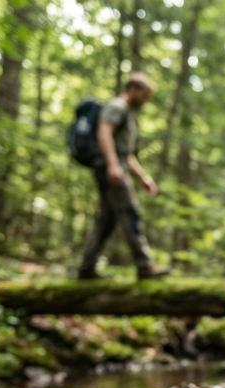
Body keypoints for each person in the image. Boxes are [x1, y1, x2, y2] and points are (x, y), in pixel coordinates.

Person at [77, 73, 168, 281]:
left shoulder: (125, 111)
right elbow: (104, 133)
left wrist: (142, 177)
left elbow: (125, 154)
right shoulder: (117, 106)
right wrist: (113, 165)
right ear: (133, 89)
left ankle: (86, 268)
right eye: (145, 95)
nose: (146, 100)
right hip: (110, 168)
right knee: (130, 212)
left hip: (115, 166)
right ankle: (145, 266)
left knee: (107, 219)